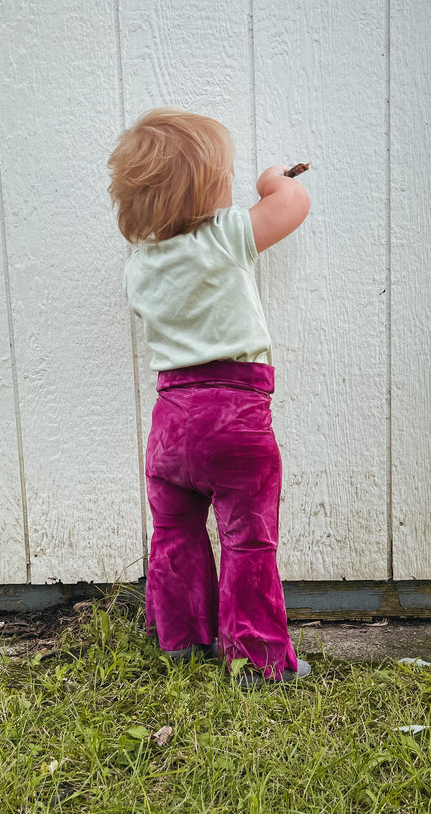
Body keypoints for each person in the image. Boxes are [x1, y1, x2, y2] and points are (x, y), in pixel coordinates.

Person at [107, 107, 311, 686]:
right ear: (204, 190)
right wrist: (274, 178)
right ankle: (256, 658)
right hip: (235, 418)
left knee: (175, 532)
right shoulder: (225, 236)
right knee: (247, 539)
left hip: (170, 422)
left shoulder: (139, 266)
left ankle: (180, 637)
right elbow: (292, 205)